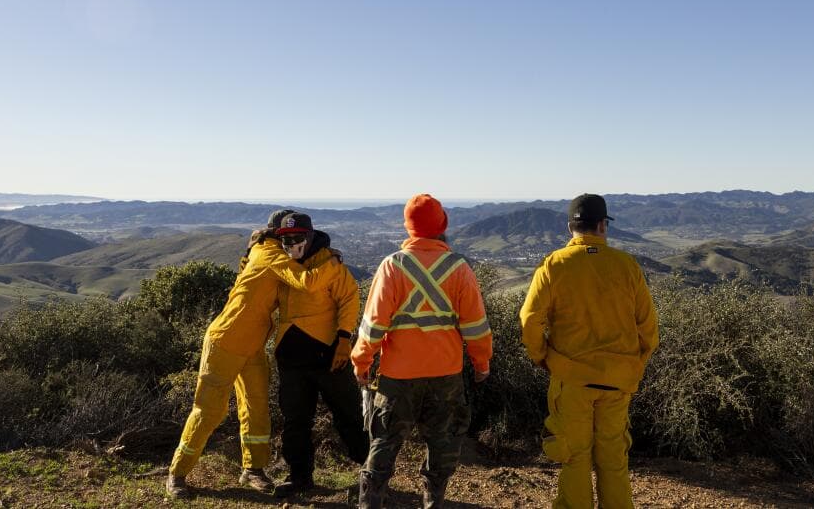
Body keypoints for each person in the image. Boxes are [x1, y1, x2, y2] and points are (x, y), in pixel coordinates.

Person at [165, 210, 345, 498]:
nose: (291, 241)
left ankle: (253, 470)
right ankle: (177, 473)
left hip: (252, 345)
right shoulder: (269, 254)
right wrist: (332, 261)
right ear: (275, 234)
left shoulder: (270, 254)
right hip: (225, 341)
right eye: (285, 236)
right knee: (210, 411)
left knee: (257, 407)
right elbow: (308, 282)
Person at [352, 193, 493, 509]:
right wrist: (481, 363)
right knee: (443, 443)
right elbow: (476, 327)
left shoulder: (392, 267)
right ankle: (433, 500)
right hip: (445, 375)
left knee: (384, 442)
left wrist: (362, 362)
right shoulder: (459, 268)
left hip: (397, 376)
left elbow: (373, 325)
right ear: (443, 226)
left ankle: (370, 502)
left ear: (409, 228)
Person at [519, 194, 660, 509]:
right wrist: (634, 365)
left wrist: (541, 356)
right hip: (618, 383)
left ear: (570, 227)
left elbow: (529, 319)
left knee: (575, 458)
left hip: (571, 380)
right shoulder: (627, 266)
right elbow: (649, 329)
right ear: (602, 226)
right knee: (613, 460)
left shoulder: (553, 265)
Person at [269, 212, 370, 498]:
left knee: (348, 416)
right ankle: (300, 478)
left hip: (328, 355)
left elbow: (349, 298)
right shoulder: (281, 263)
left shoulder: (329, 263)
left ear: (310, 236)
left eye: (297, 237)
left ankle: (373, 473)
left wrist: (343, 339)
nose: (291, 243)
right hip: (290, 358)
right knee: (295, 421)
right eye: (286, 239)